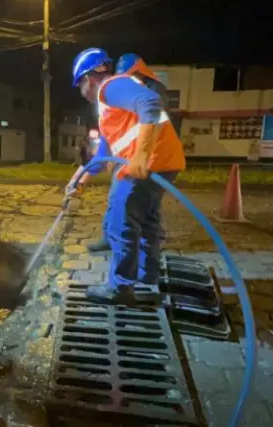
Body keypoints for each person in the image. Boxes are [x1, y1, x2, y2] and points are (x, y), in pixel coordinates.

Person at [66, 47, 185, 306]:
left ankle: (120, 289)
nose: (81, 92)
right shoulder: (112, 106)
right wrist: (80, 179)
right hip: (164, 162)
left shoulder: (111, 87)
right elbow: (104, 154)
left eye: (79, 85)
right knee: (148, 221)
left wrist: (141, 156)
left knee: (123, 224)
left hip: (145, 164)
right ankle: (147, 278)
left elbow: (150, 103)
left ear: (88, 78)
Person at [85, 52, 172, 253]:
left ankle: (147, 245)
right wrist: (84, 175)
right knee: (116, 201)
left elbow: (151, 117)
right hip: (126, 157)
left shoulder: (153, 91)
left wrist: (141, 155)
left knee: (143, 206)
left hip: (149, 159)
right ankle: (112, 238)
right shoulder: (119, 92)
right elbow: (108, 139)